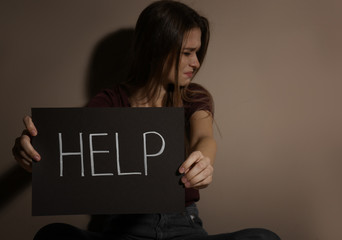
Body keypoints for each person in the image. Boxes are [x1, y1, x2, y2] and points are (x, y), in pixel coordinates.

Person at [12, 1, 280, 239]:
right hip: (124, 228)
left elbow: (203, 137)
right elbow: (64, 150)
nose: (196, 63)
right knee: (53, 234)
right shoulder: (112, 100)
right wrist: (30, 151)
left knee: (263, 237)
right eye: (187, 52)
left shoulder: (193, 97)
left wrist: (204, 160)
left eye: (197, 53)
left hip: (184, 226)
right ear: (157, 49)